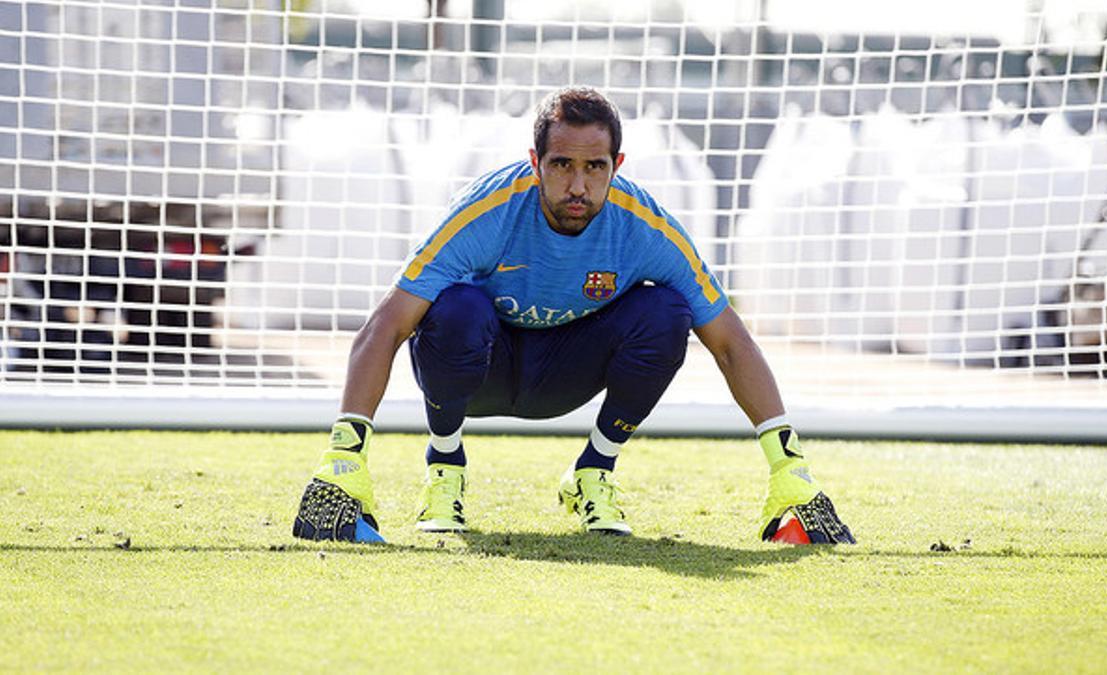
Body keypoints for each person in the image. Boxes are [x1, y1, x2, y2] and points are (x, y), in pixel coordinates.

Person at [292, 87, 854, 546]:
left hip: (566, 376)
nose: (578, 186)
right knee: (456, 307)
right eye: (561, 165)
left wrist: (790, 469)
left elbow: (731, 342)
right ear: (535, 162)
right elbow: (385, 325)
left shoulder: (644, 227)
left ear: (617, 165)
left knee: (667, 312)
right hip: (479, 371)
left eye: (594, 167)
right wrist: (345, 454)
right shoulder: (487, 212)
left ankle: (593, 472)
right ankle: (445, 466)